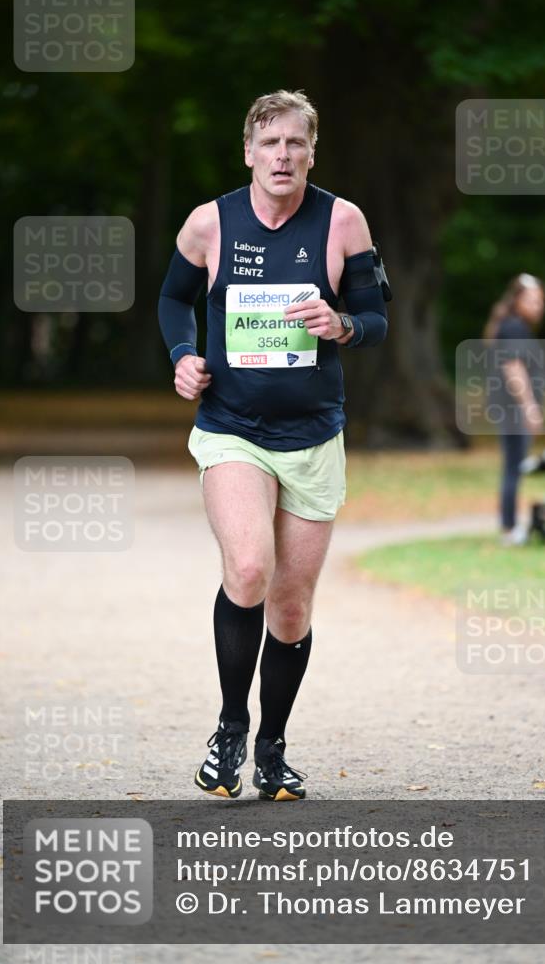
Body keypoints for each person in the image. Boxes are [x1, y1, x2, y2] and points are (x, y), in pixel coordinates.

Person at [158, 90, 390, 801]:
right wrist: (183, 354)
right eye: (269, 144)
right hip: (232, 428)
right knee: (250, 568)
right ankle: (230, 730)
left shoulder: (341, 221)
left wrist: (341, 325)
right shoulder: (210, 223)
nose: (282, 156)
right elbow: (172, 300)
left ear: (311, 152)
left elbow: (377, 317)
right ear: (248, 152)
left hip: (314, 434)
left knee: (291, 607)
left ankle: (272, 747)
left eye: (295, 143)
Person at [483, 273, 545, 546]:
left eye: (541, 301)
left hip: (511, 408)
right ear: (517, 299)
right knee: (513, 467)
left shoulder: (515, 326)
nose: (538, 306)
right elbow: (513, 368)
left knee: (514, 466)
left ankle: (510, 526)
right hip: (513, 409)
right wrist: (529, 407)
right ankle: (509, 529)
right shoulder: (513, 328)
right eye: (532, 300)